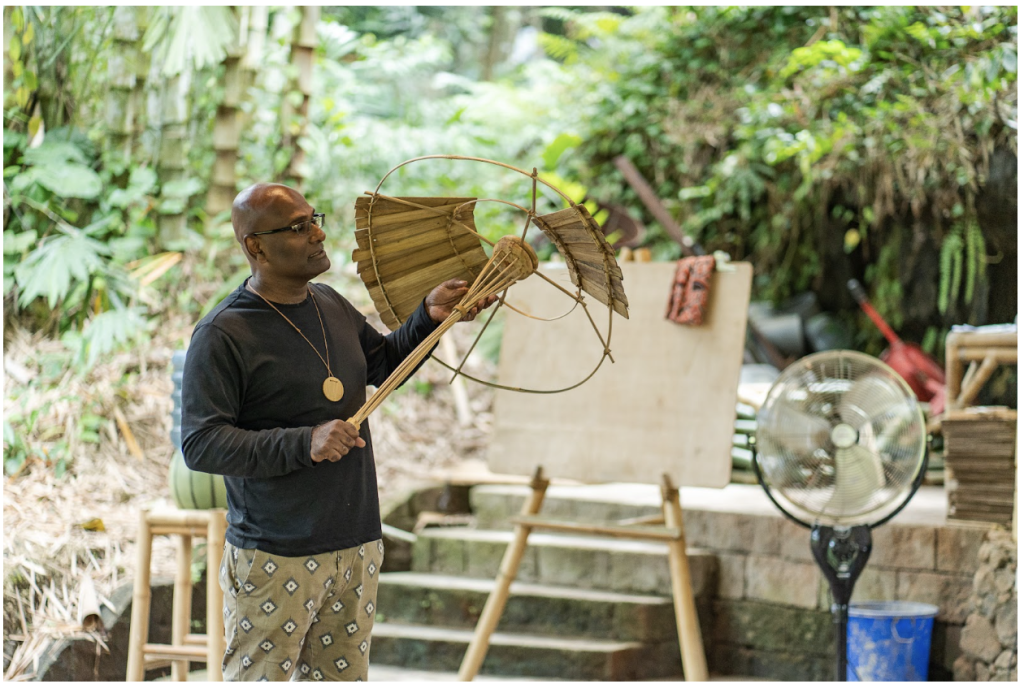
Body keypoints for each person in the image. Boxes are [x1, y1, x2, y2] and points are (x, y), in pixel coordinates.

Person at [181, 182, 495, 681]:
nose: (318, 233)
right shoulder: (224, 333)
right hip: (276, 552)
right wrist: (304, 442)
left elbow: (384, 363)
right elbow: (201, 442)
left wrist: (429, 318)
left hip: (356, 543)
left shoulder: (328, 302)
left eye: (314, 219)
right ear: (255, 246)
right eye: (298, 227)